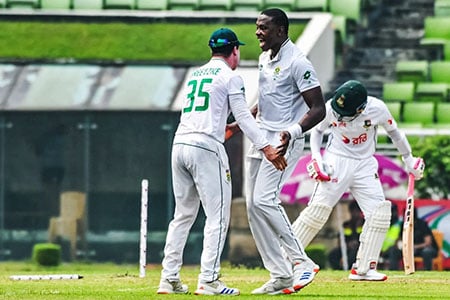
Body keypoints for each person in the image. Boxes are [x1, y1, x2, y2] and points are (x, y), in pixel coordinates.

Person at [156, 28, 287, 296]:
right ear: (234, 51)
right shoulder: (231, 76)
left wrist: (229, 127)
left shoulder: (196, 73)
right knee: (217, 216)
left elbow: (208, 111)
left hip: (180, 143)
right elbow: (243, 115)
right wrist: (267, 147)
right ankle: (209, 280)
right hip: (207, 147)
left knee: (182, 216)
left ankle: (168, 278)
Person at [291, 79, 425, 281]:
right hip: (336, 161)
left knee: (379, 212)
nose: (340, 116)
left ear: (361, 108)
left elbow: (395, 133)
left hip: (365, 164)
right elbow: (317, 132)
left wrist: (409, 160)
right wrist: (317, 159)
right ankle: (287, 259)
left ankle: (363, 269)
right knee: (318, 210)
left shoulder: (377, 109)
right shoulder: (331, 108)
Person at [242, 8, 327, 295]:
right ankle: (279, 275)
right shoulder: (265, 58)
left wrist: (290, 133)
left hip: (284, 141)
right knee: (252, 206)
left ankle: (301, 261)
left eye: (263, 28)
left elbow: (318, 109)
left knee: (265, 200)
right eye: (257, 27)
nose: (257, 33)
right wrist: (241, 120)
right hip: (260, 137)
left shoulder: (299, 62)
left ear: (281, 30)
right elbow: (267, 99)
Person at [328, 201, 364, 270]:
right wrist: (348, 245)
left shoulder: (364, 224)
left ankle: (349, 267)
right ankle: (338, 268)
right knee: (333, 253)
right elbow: (340, 240)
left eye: (357, 211)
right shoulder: (346, 225)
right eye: (353, 211)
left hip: (360, 249)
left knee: (354, 253)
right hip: (347, 248)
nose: (355, 214)